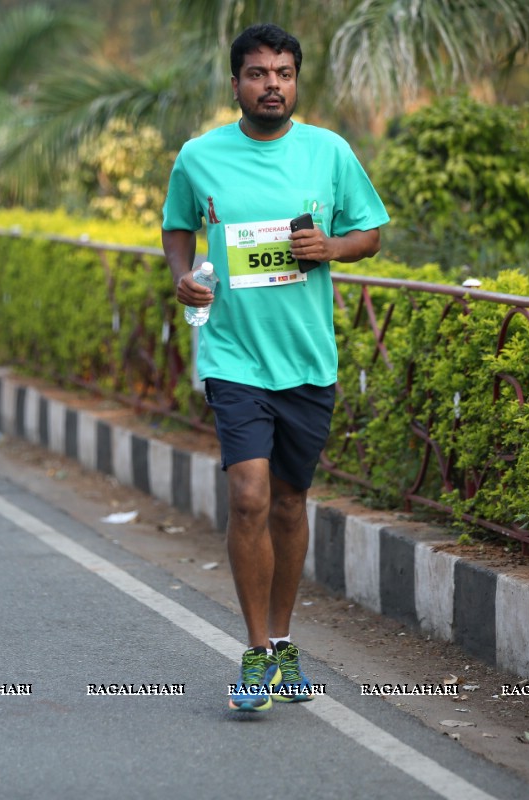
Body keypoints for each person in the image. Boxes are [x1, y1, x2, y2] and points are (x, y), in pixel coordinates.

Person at [161, 23, 389, 712]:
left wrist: (333, 248)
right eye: (258, 73)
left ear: (296, 81)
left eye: (284, 73)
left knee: (290, 503)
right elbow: (176, 225)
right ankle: (256, 651)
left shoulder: (329, 152)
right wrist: (183, 278)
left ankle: (286, 641)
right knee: (250, 497)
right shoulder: (200, 158)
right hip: (233, 355)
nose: (272, 85)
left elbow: (370, 232)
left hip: (307, 360)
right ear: (235, 84)